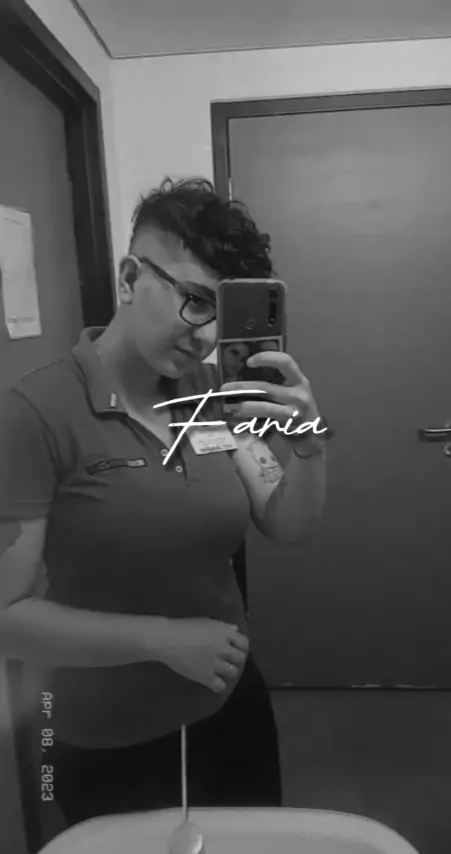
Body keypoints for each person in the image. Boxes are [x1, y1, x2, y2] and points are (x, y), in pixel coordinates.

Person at [0, 178, 327, 827]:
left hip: (227, 698)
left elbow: (285, 521)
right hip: (105, 731)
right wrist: (163, 640)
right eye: (196, 301)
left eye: (223, 313)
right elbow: (6, 616)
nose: (208, 337)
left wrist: (310, 443)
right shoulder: (33, 414)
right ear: (130, 278)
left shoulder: (209, 395)